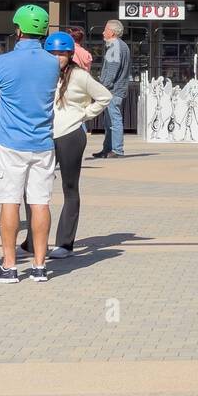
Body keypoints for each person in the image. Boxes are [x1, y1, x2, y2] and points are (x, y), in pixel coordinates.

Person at [0, 4, 59, 283]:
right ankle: (39, 266)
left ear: (18, 29)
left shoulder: (4, 62)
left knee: (10, 201)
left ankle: (9, 265)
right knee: (40, 202)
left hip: (11, 141)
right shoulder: (52, 62)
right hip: (42, 141)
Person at [45, 30, 111, 259]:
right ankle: (33, 240)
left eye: (61, 53)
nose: (56, 57)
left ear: (70, 54)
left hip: (71, 134)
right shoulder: (42, 73)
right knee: (36, 188)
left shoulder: (80, 76)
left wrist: (84, 114)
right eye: (52, 53)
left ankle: (65, 243)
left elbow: (104, 96)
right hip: (44, 135)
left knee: (69, 188)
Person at [92, 19, 131, 158]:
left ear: (112, 32)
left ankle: (117, 150)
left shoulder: (114, 46)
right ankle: (108, 149)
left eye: (106, 29)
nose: (103, 32)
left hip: (112, 90)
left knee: (113, 121)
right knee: (109, 122)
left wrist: (102, 87)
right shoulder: (122, 45)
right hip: (115, 89)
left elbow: (112, 70)